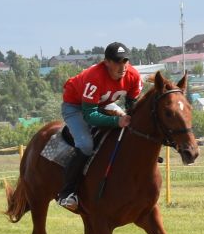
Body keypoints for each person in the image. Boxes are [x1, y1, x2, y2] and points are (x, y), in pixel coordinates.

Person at [56, 42, 142, 211]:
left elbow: (133, 106)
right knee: (86, 145)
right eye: (117, 61)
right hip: (75, 107)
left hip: (102, 104)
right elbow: (89, 115)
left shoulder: (133, 76)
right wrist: (116, 121)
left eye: (125, 61)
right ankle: (66, 193)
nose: (122, 66)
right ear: (107, 62)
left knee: (129, 130)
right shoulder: (95, 77)